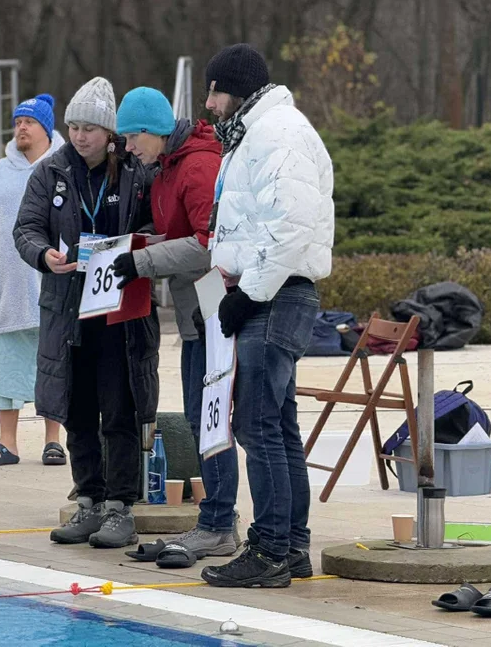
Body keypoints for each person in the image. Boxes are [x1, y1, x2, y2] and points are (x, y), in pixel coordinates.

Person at [197, 44, 334, 588]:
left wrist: (247, 294)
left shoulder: (279, 134)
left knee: (258, 427)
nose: (208, 103)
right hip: (268, 292)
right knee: (276, 426)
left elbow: (290, 225)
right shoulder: (255, 134)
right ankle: (292, 547)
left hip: (275, 297)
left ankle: (271, 548)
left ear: (238, 88)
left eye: (214, 90)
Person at [14, 77, 159, 549]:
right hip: (68, 309)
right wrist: (43, 255)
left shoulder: (137, 172)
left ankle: (121, 507)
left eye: (90, 129)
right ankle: (89, 501)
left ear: (110, 132)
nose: (80, 136)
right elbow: (26, 228)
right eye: (74, 126)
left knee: (119, 407)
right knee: (75, 408)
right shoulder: (50, 171)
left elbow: (159, 225)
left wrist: (138, 249)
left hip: (120, 310)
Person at [112, 87, 241, 562]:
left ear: (154, 130)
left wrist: (142, 260)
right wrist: (126, 247)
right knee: (197, 418)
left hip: (216, 308)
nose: (128, 148)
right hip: (194, 314)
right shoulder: (167, 167)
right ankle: (214, 521)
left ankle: (220, 523)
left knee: (211, 422)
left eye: (131, 137)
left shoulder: (197, 165)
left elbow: (211, 245)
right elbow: (178, 235)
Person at [0, 94, 66, 467]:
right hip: (4, 289)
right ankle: (7, 442)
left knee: (53, 364)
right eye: (17, 121)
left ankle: (53, 440)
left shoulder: (65, 168)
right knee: (7, 366)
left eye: (30, 121)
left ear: (47, 127)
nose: (21, 127)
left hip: (53, 286)